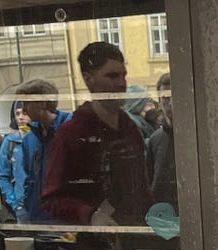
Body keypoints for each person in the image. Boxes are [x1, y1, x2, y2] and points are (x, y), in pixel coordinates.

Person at [41, 41, 152, 225]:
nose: (121, 83)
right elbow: (51, 199)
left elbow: (142, 188)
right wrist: (89, 215)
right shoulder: (72, 134)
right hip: (97, 239)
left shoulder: (130, 128)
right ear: (88, 79)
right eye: (112, 76)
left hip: (137, 233)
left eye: (123, 75)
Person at [15, 79, 71, 222]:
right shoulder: (29, 139)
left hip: (66, 217)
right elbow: (29, 176)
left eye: (26, 103)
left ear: (42, 103)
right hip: (37, 216)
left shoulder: (71, 130)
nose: (24, 109)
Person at [147, 73, 177, 208]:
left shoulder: (196, 137)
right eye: (166, 97)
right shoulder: (155, 139)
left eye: (174, 96)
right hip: (162, 213)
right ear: (159, 100)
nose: (170, 103)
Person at [0, 102, 30, 221]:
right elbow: (2, 176)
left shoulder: (44, 139)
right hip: (22, 207)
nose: (20, 117)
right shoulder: (10, 141)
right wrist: (16, 205)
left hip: (47, 207)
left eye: (24, 113)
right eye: (17, 114)